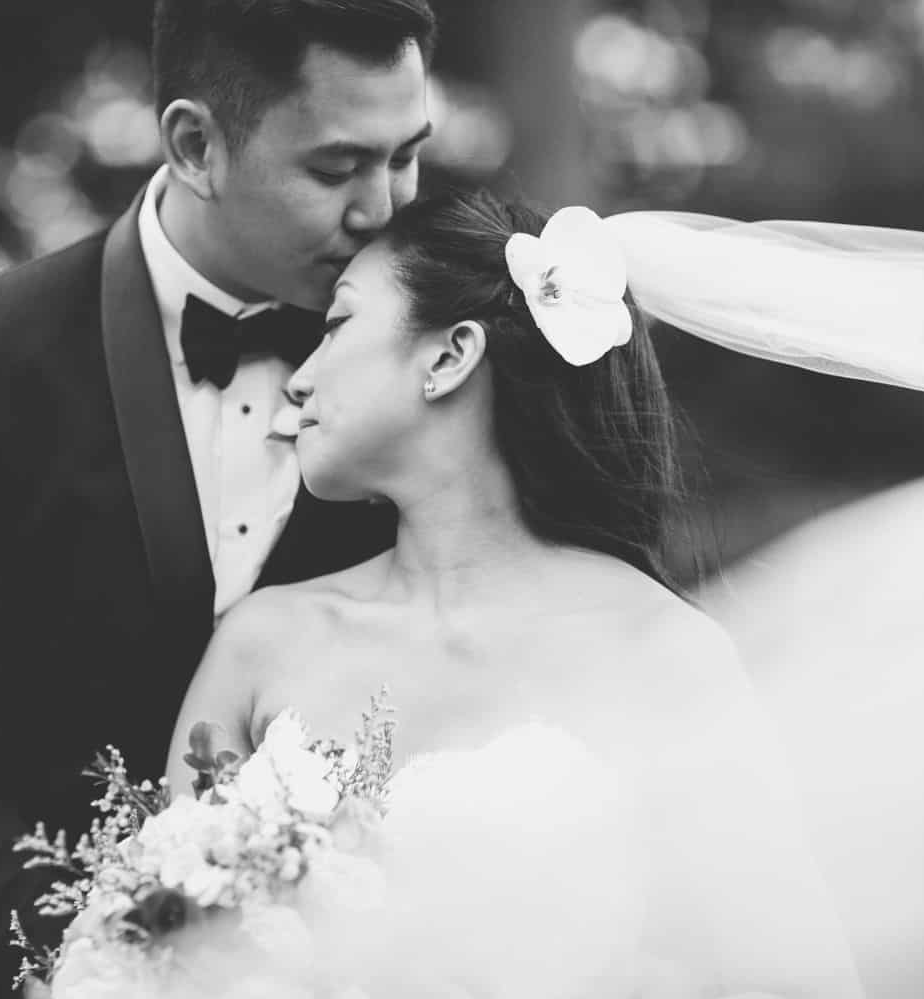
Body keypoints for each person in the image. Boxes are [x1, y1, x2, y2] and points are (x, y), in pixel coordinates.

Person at [0, 2, 437, 996]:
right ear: (195, 143)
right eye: (338, 167)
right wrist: (107, 959)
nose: (384, 208)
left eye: (407, 154)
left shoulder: (439, 357)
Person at [168, 189, 868, 997]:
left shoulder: (658, 652)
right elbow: (162, 947)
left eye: (335, 326)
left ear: (447, 356)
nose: (300, 380)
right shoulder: (262, 640)